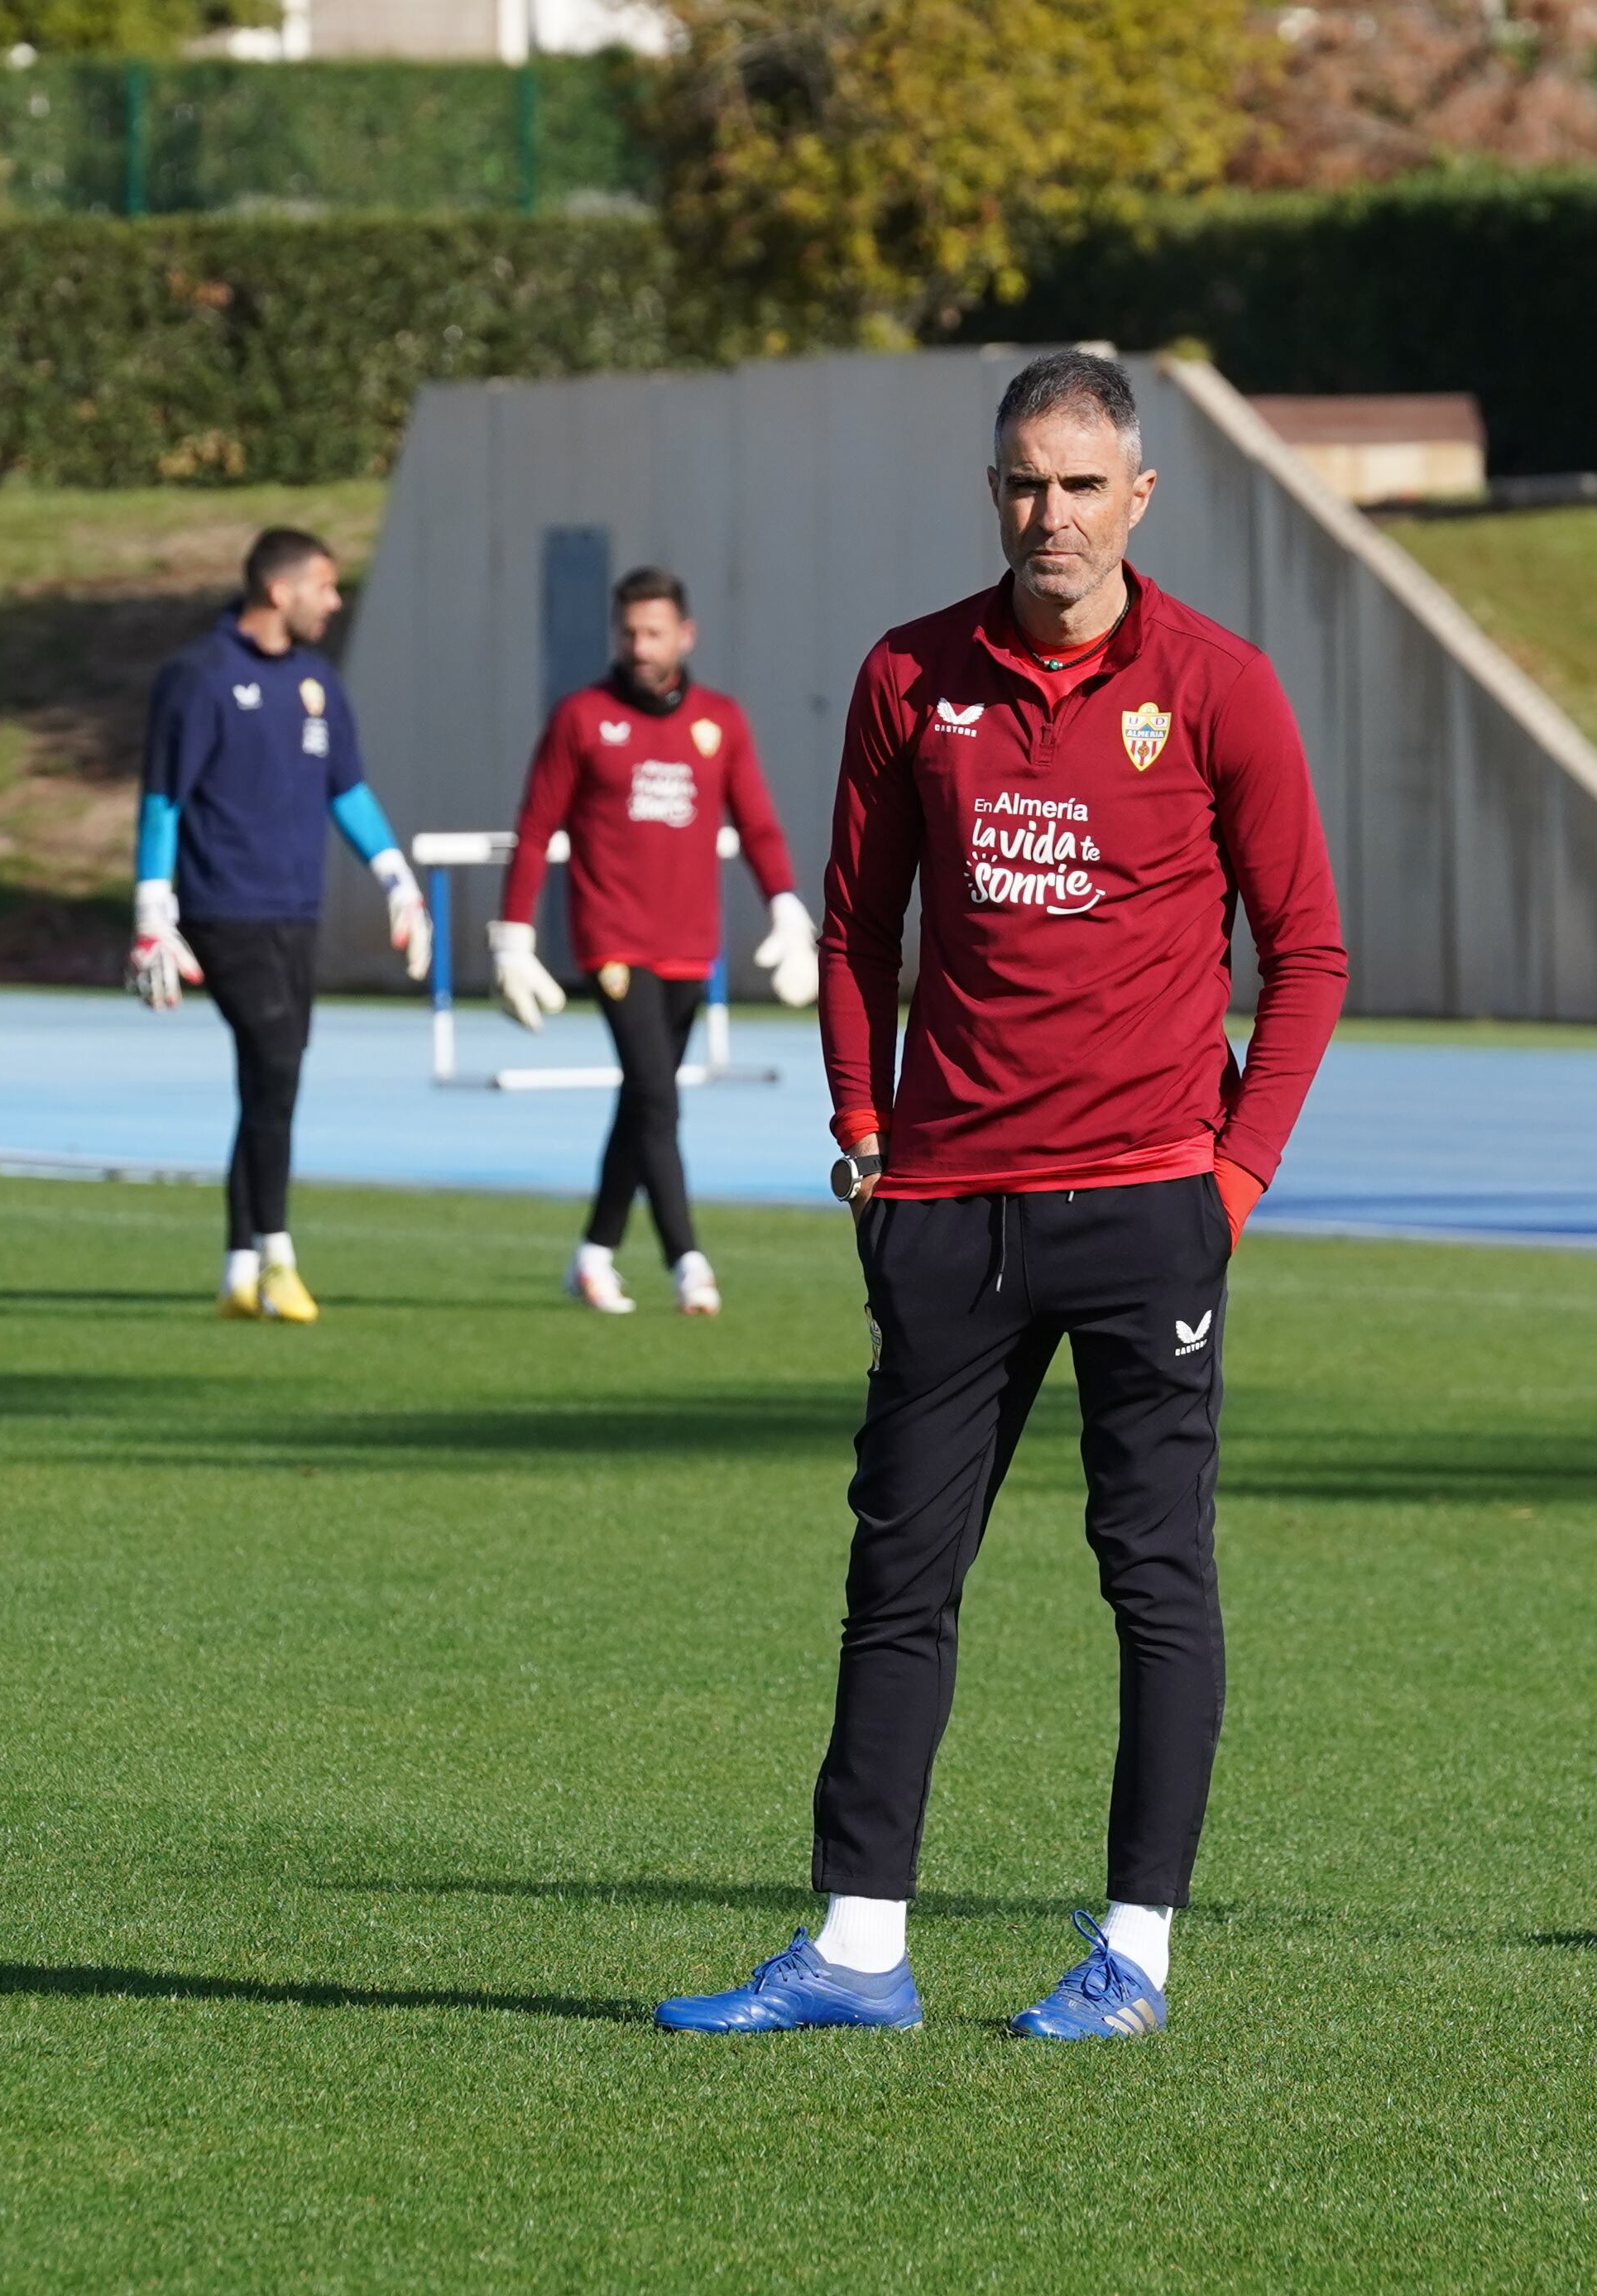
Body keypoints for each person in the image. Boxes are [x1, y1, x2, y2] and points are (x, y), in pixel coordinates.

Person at [655, 352, 1346, 2043]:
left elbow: (1309, 951)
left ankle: (1134, 1952)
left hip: (1145, 1206)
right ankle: (859, 1945)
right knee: (901, 1571)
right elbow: (849, 932)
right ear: (996, 496)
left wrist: (1233, 1175)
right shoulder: (912, 674)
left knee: (1153, 1572)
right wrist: (862, 1133)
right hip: (950, 1206)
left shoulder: (1217, 688)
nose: (1052, 514)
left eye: (1081, 483)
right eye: (1024, 484)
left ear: (1138, 497)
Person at [488, 566, 816, 1316]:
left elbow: (758, 824)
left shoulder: (720, 722)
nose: (639, 646)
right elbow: (535, 830)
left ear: (684, 636)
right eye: (629, 632)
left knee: (644, 1105)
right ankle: (688, 1262)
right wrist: (511, 938)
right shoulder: (581, 718)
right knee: (659, 1103)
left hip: (688, 944)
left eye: (654, 632)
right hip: (612, 943)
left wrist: (788, 913)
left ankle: (593, 1253)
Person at [127, 527, 428, 1322]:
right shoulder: (199, 677)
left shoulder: (315, 681)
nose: (333, 601)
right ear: (278, 590)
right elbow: (162, 801)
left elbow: (347, 791)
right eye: (323, 587)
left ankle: (235, 1269)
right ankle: (278, 1257)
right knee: (277, 1067)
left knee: (268, 1084)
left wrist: (396, 878)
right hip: (224, 911)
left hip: (297, 911)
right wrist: (152, 915)